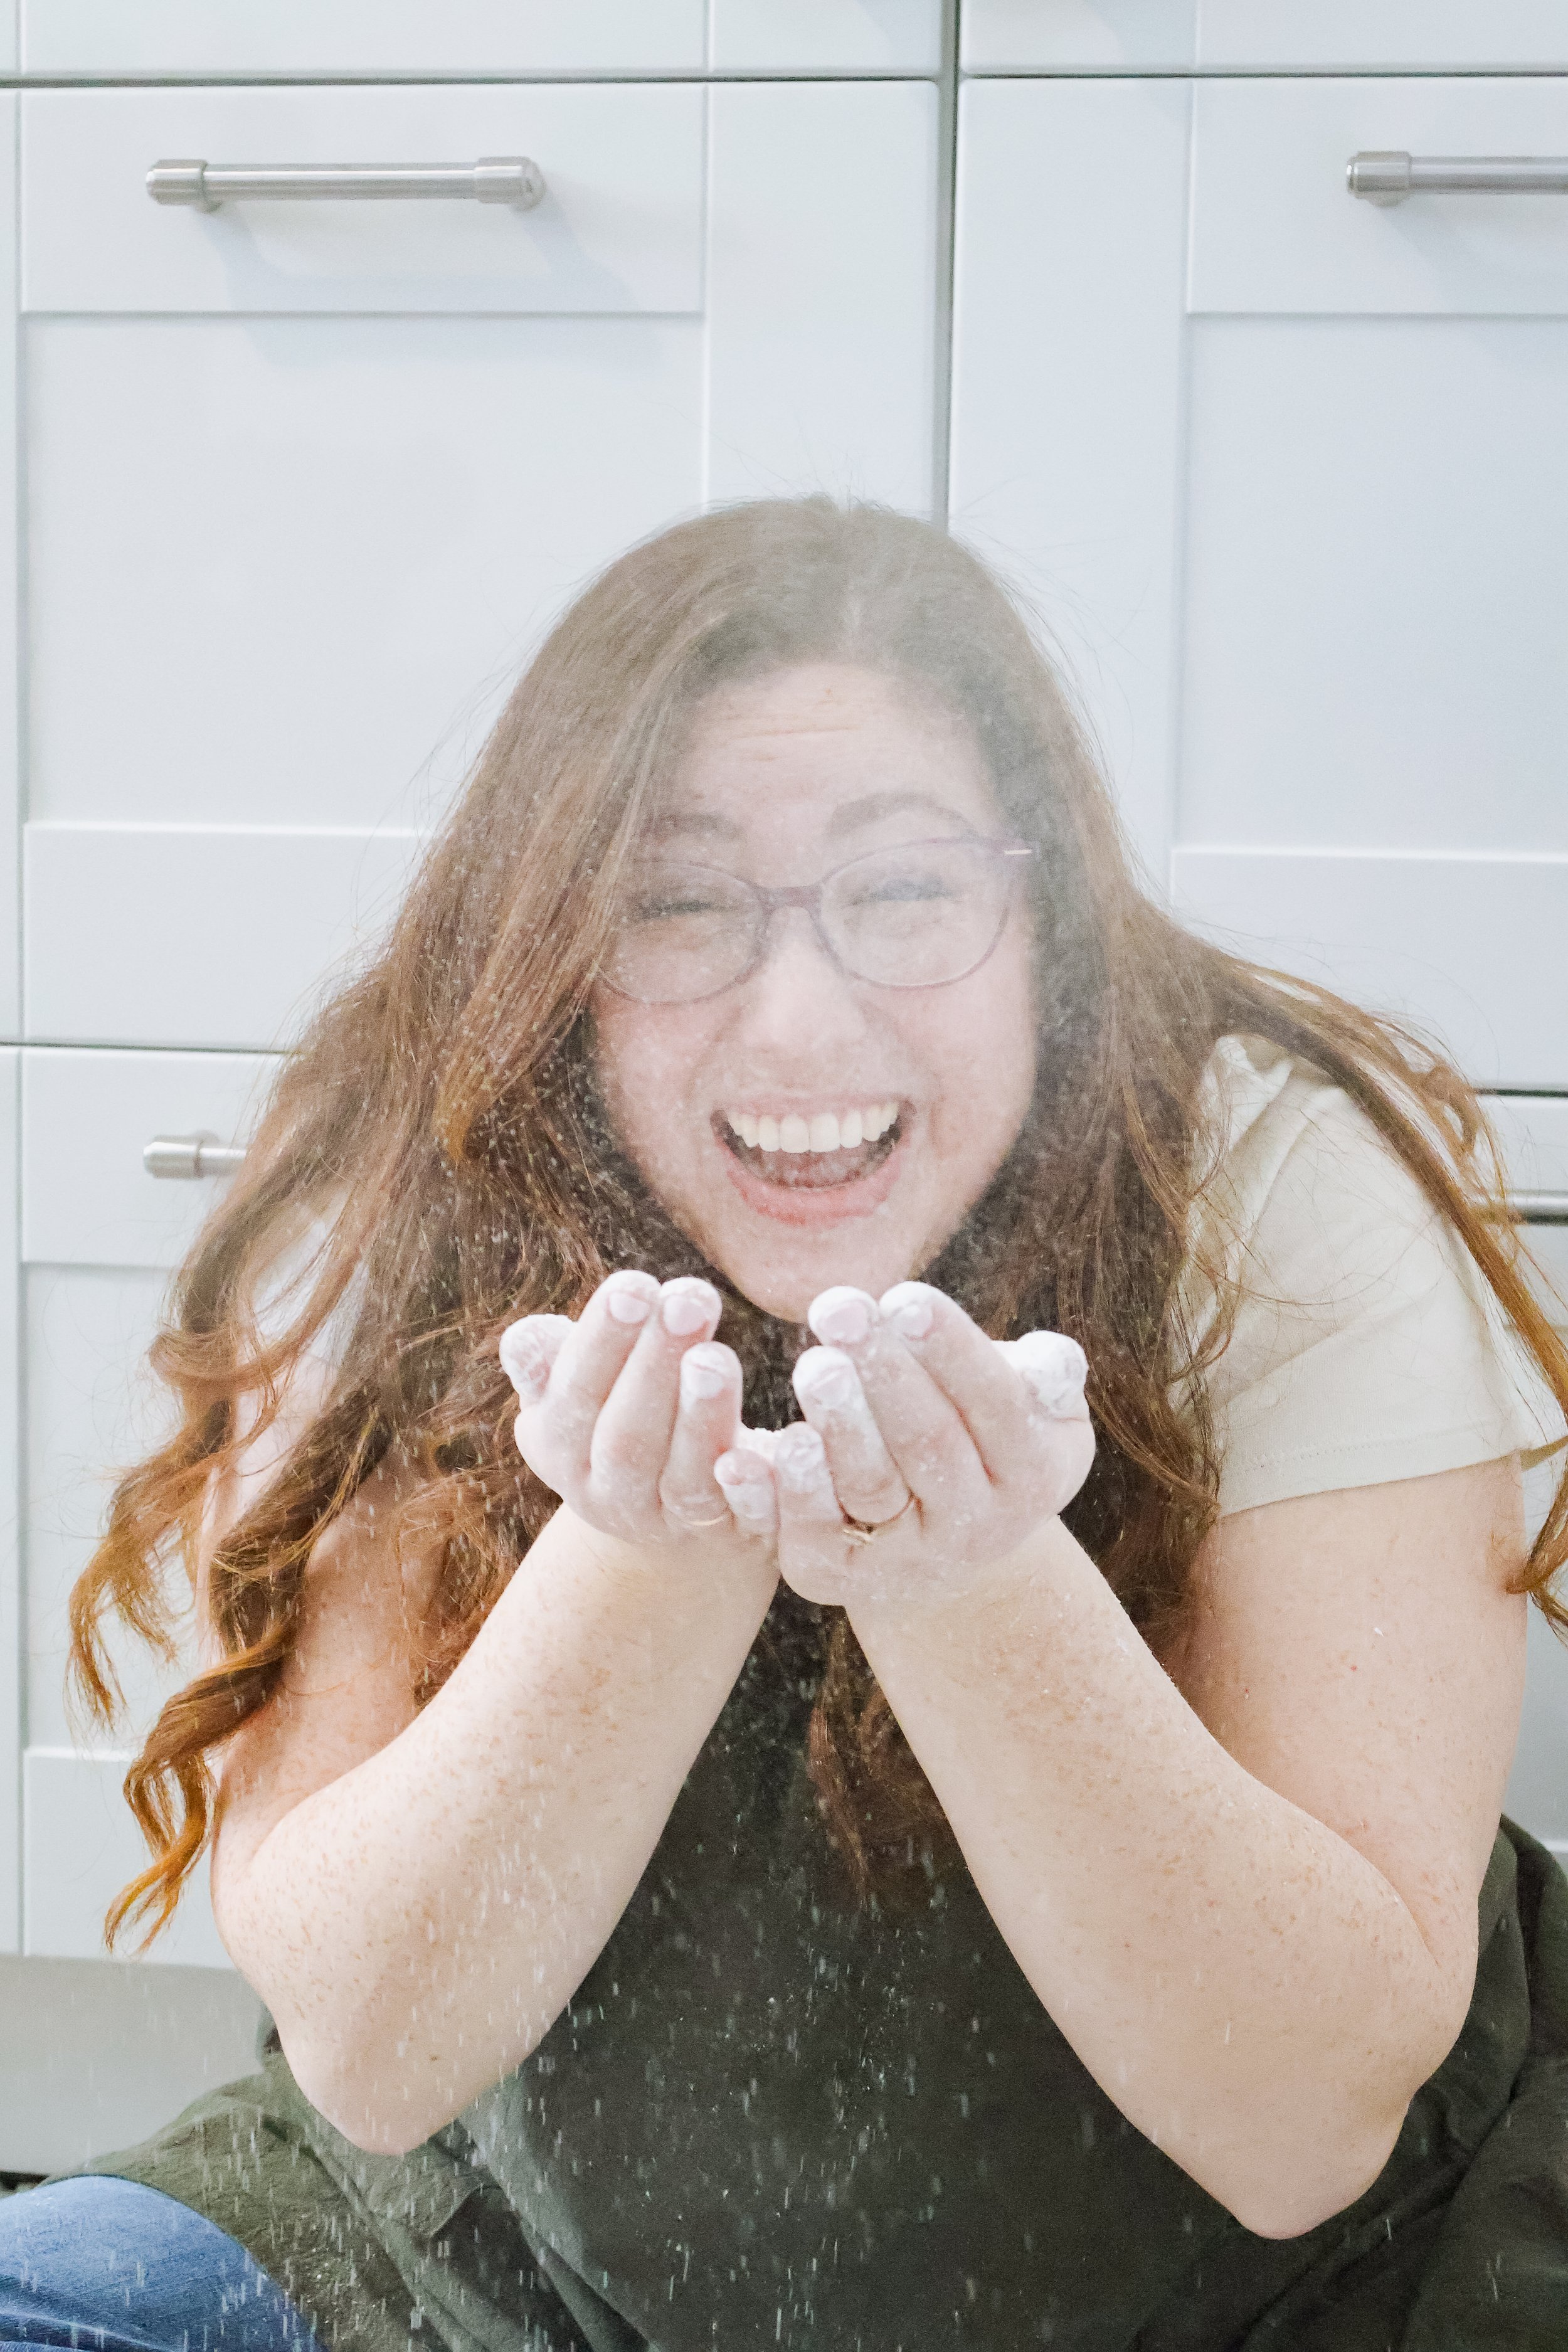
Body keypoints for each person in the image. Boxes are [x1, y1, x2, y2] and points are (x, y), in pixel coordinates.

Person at [5, 497, 1567, 2352]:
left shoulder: (1272, 1190)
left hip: (1288, 2300)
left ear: (1043, 917)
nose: (802, 1023)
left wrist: (975, 1586)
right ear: (557, 948)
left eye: (904, 891)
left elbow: (1300, 2123)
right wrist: (641, 1557)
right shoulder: (429, 1157)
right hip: (468, 2268)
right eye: (675, 902)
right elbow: (373, 2048)